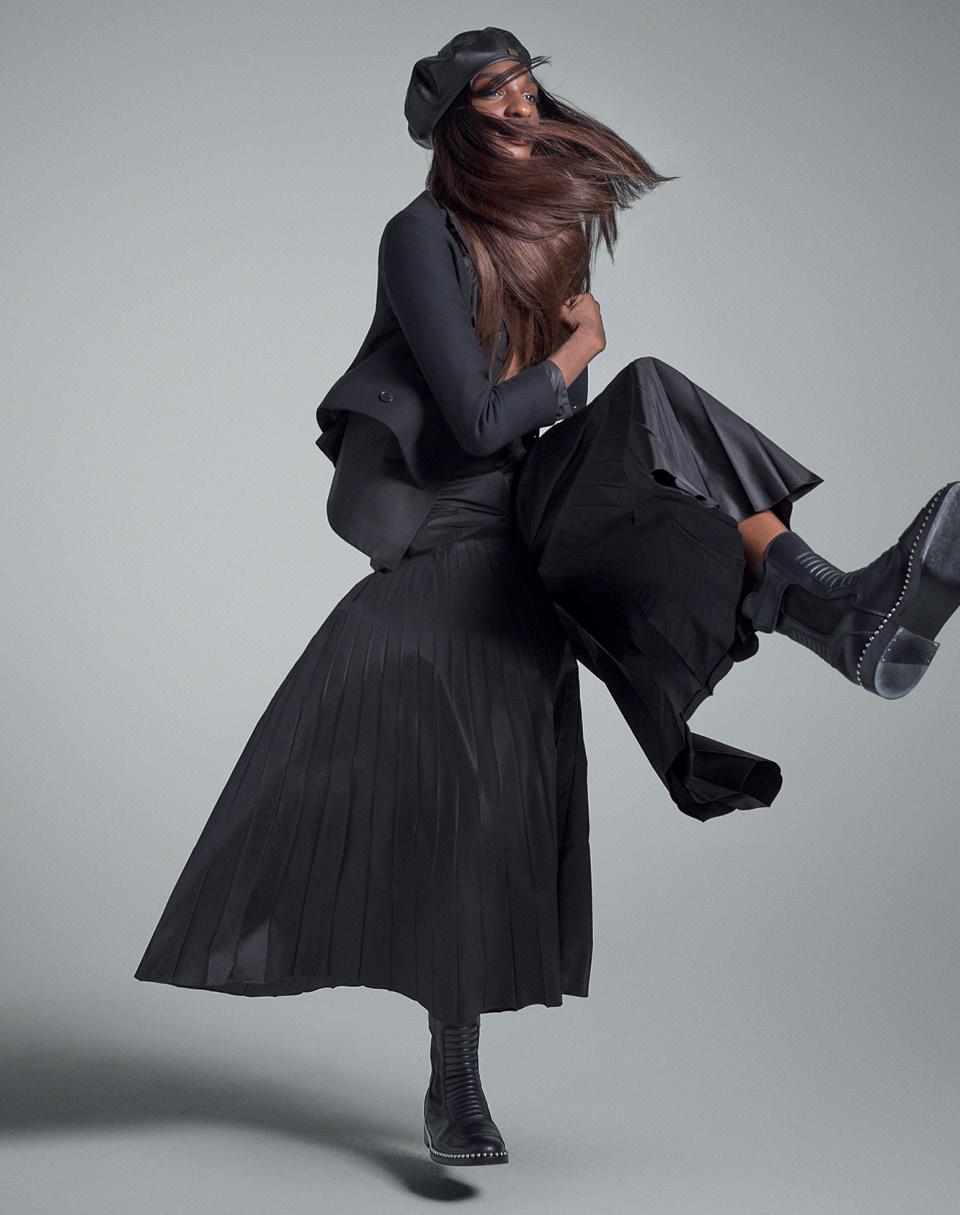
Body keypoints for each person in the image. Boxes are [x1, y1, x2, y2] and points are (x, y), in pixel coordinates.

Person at [134, 27, 960, 1168]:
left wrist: (584, 392)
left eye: (529, 88)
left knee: (658, 400)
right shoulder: (418, 236)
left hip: (531, 514)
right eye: (498, 95)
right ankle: (455, 1083)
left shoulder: (546, 234)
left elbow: (552, 423)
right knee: (469, 817)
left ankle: (838, 610)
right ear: (457, 124)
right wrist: (577, 356)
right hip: (454, 527)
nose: (524, 108)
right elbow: (480, 423)